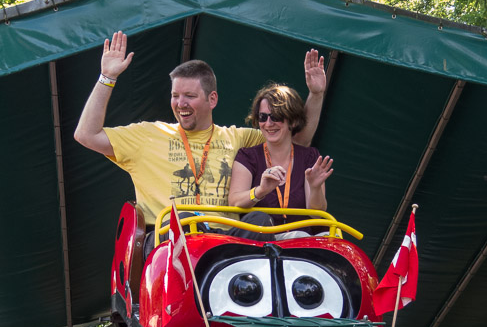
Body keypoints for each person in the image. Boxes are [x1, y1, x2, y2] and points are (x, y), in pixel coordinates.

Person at [74, 31, 326, 232]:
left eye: (189, 96)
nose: (180, 103)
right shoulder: (147, 134)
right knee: (183, 220)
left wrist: (316, 94)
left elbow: (296, 139)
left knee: (259, 222)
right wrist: (107, 77)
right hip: (171, 241)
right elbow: (86, 135)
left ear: (212, 99)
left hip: (224, 241)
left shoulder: (239, 138)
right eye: (175, 95)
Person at [228, 84, 333, 237]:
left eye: (276, 117)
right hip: (261, 240)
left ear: (293, 121)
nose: (268, 123)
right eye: (263, 117)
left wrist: (315, 188)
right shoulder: (248, 156)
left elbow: (316, 213)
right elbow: (234, 201)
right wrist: (260, 191)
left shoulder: (309, 156)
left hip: (301, 241)